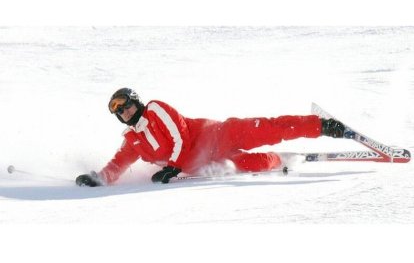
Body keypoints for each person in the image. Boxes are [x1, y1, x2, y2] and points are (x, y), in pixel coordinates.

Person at [76, 88, 345, 186]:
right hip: (205, 166)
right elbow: (119, 163)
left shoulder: (156, 109)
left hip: (218, 137)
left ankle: (321, 126)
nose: (124, 111)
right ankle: (280, 160)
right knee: (254, 165)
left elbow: (180, 136)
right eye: (117, 110)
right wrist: (99, 178)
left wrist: (172, 166)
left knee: (269, 129)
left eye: (125, 104)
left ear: (136, 101)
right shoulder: (132, 140)